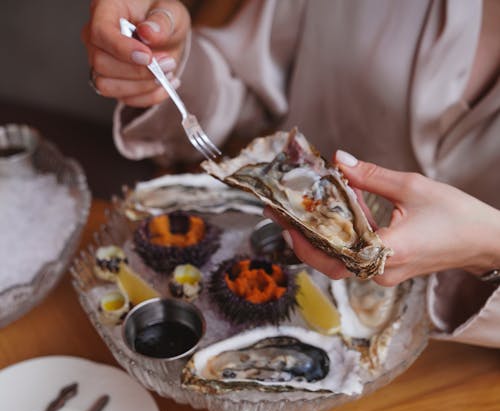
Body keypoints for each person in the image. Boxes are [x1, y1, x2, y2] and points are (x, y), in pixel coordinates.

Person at [82, 0, 500, 347]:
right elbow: (242, 86)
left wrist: (488, 246)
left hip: (459, 374)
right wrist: (165, 70)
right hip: (283, 291)